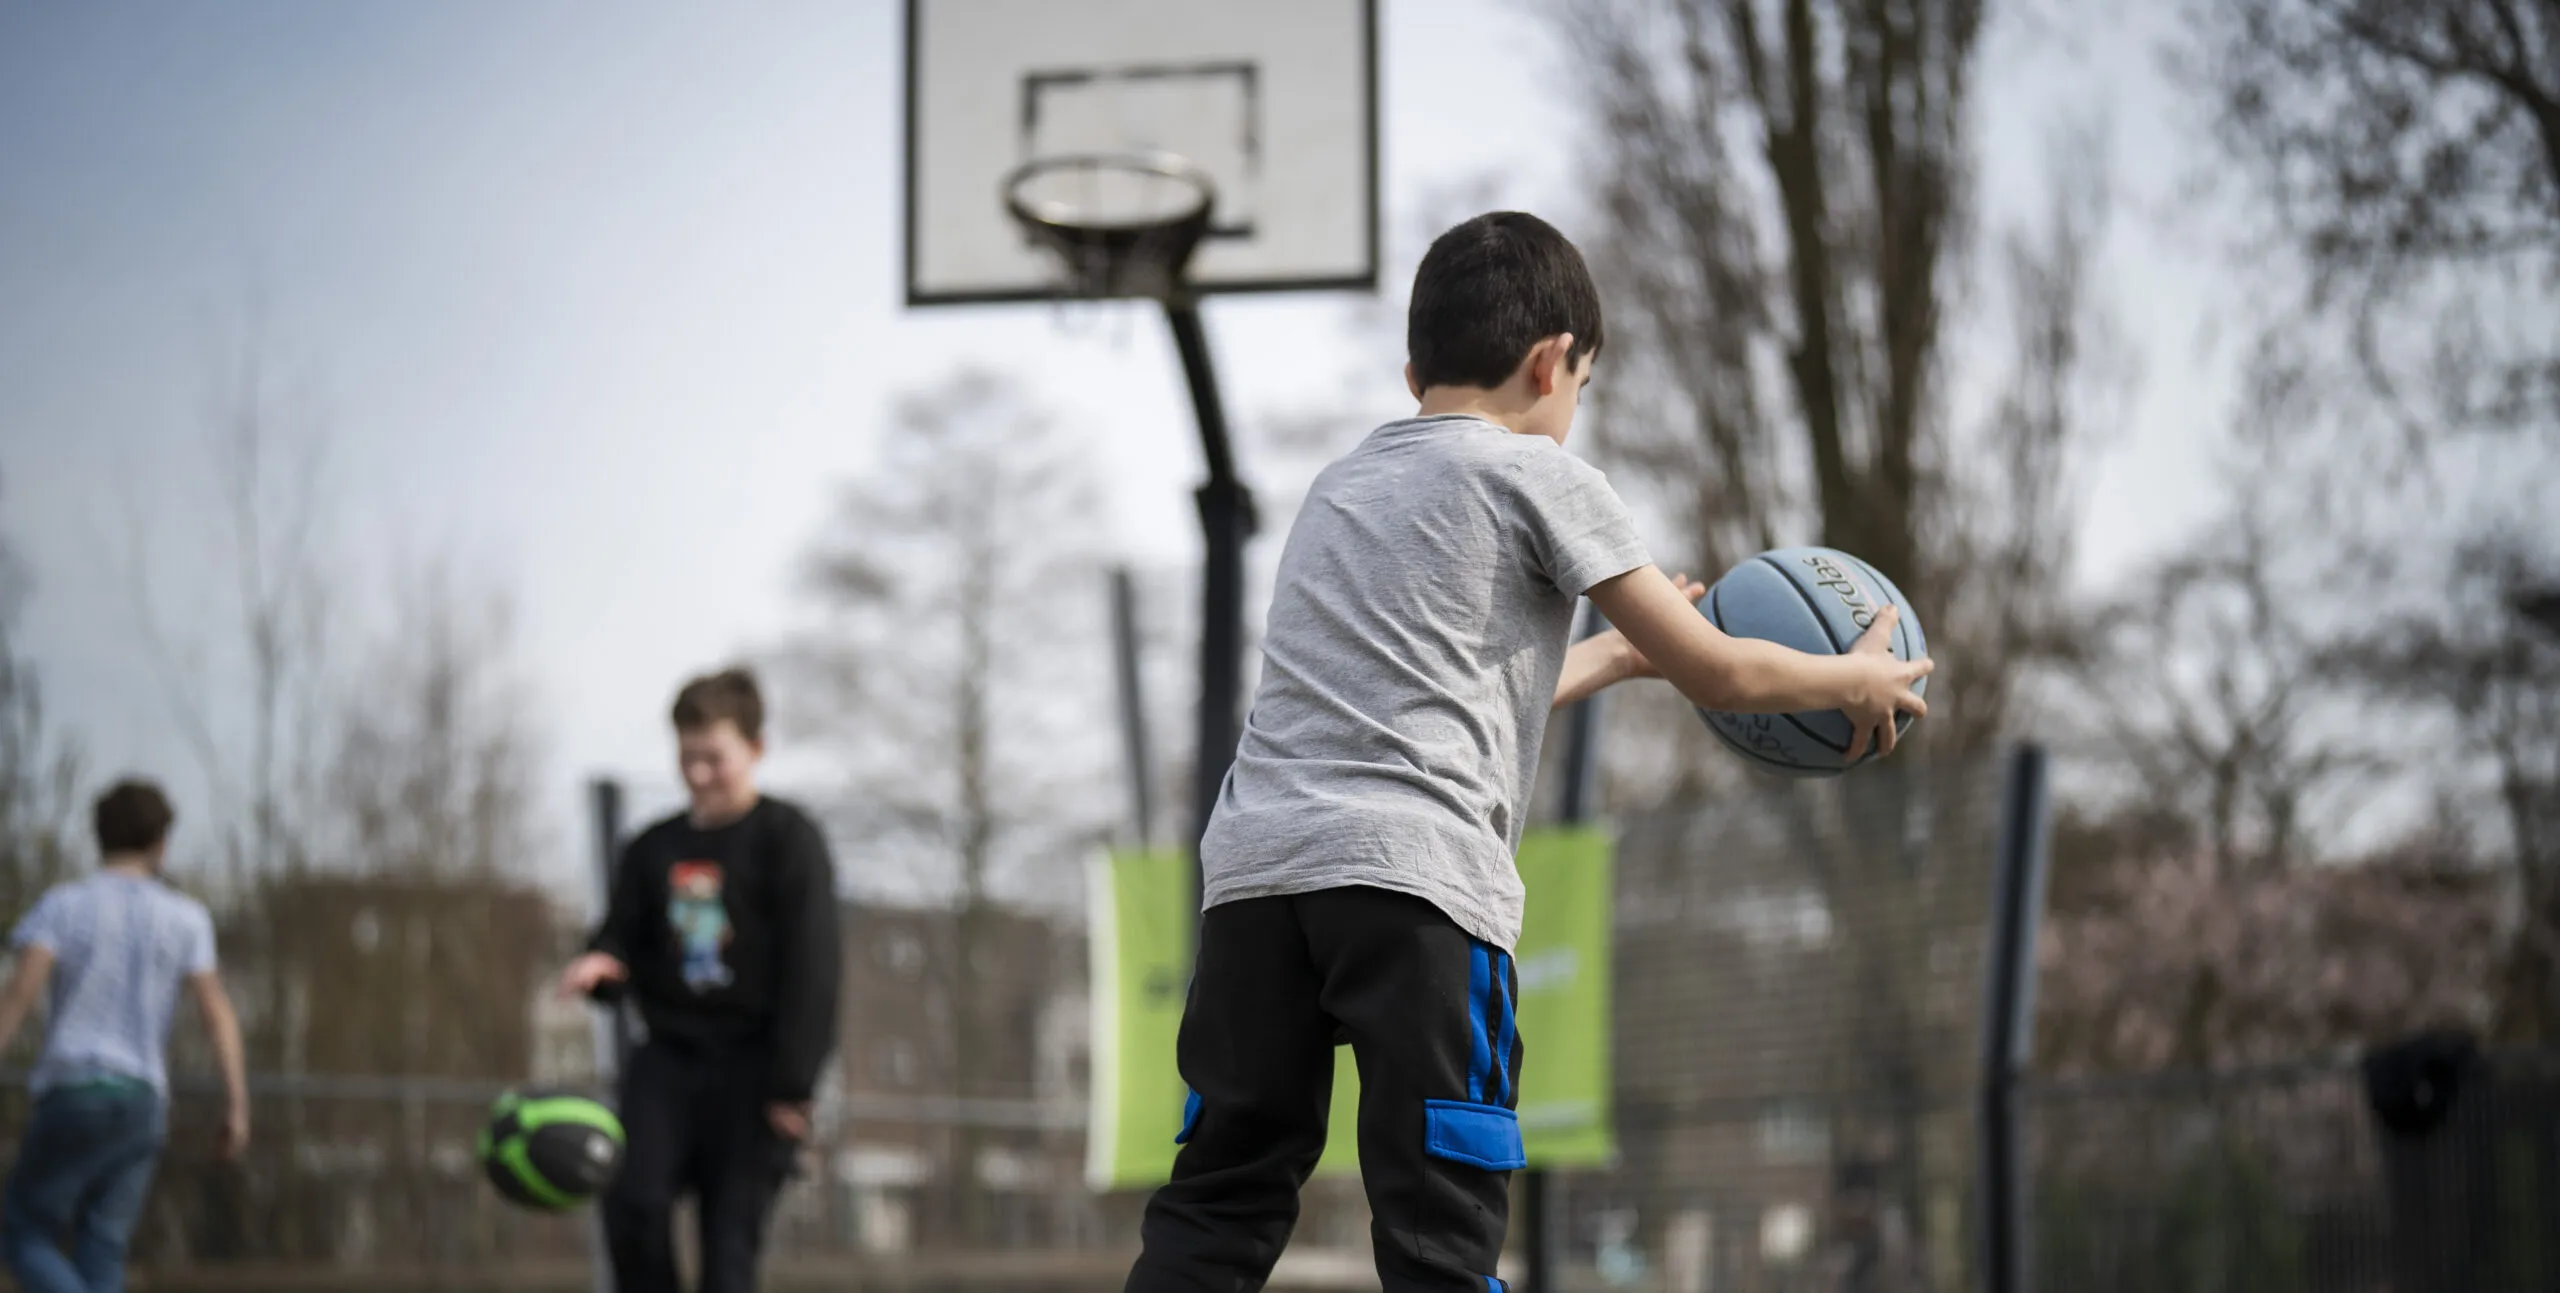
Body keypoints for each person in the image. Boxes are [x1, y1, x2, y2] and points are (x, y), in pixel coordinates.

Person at [1125, 212, 1932, 1293]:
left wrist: (1607, 661)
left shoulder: (1341, 487)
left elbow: (1432, 693)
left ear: (1415, 367)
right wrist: (1855, 679)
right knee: (1438, 1228)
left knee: (1219, 1197)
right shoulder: (1541, 477)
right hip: (1417, 891)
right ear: (1553, 362)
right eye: (1582, 388)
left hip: (1256, 887)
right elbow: (1727, 672)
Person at [558, 667, 841, 1293]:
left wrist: (793, 1085)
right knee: (632, 1203)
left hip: (755, 1068)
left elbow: (813, 966)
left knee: (729, 1248)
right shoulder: (652, 849)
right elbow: (620, 937)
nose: (699, 774)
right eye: (687, 758)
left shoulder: (786, 840)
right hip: (668, 1059)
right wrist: (602, 965)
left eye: (715, 758)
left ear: (755, 750)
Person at [0, 780, 248, 1293]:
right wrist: (236, 1104)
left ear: (99, 837)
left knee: (22, 1231)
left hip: (73, 1091)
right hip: (143, 1102)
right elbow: (217, 1014)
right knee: (103, 1248)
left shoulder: (63, 906)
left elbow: (18, 997)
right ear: (161, 842)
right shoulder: (186, 917)